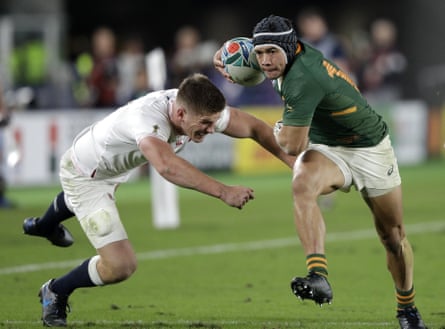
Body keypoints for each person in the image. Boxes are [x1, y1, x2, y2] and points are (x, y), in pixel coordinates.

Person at [22, 73, 295, 327]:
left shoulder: (195, 105)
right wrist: (224, 191)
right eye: (206, 124)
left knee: (81, 205)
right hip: (85, 175)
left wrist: (294, 164)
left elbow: (255, 127)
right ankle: (55, 290)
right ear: (179, 113)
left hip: (109, 163)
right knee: (120, 266)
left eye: (213, 122)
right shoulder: (147, 120)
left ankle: (44, 225)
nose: (212, 130)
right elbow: (166, 166)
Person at [213, 15, 425, 329]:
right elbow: (260, 45)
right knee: (302, 182)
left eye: (271, 53)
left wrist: (281, 128)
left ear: (287, 48)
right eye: (259, 55)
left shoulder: (303, 79)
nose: (265, 61)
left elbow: (292, 146)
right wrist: (225, 55)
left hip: (370, 148)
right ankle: (318, 275)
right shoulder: (284, 53)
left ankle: (407, 309)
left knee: (392, 237)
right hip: (328, 146)